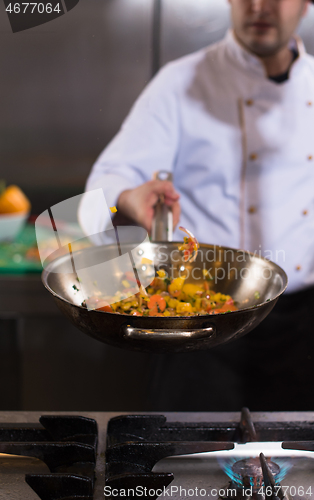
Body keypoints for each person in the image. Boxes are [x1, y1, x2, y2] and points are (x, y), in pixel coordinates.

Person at [80, 0, 314, 411]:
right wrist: (129, 198)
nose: (260, 6)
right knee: (185, 466)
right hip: (201, 319)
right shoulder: (181, 81)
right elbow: (105, 181)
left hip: (303, 326)